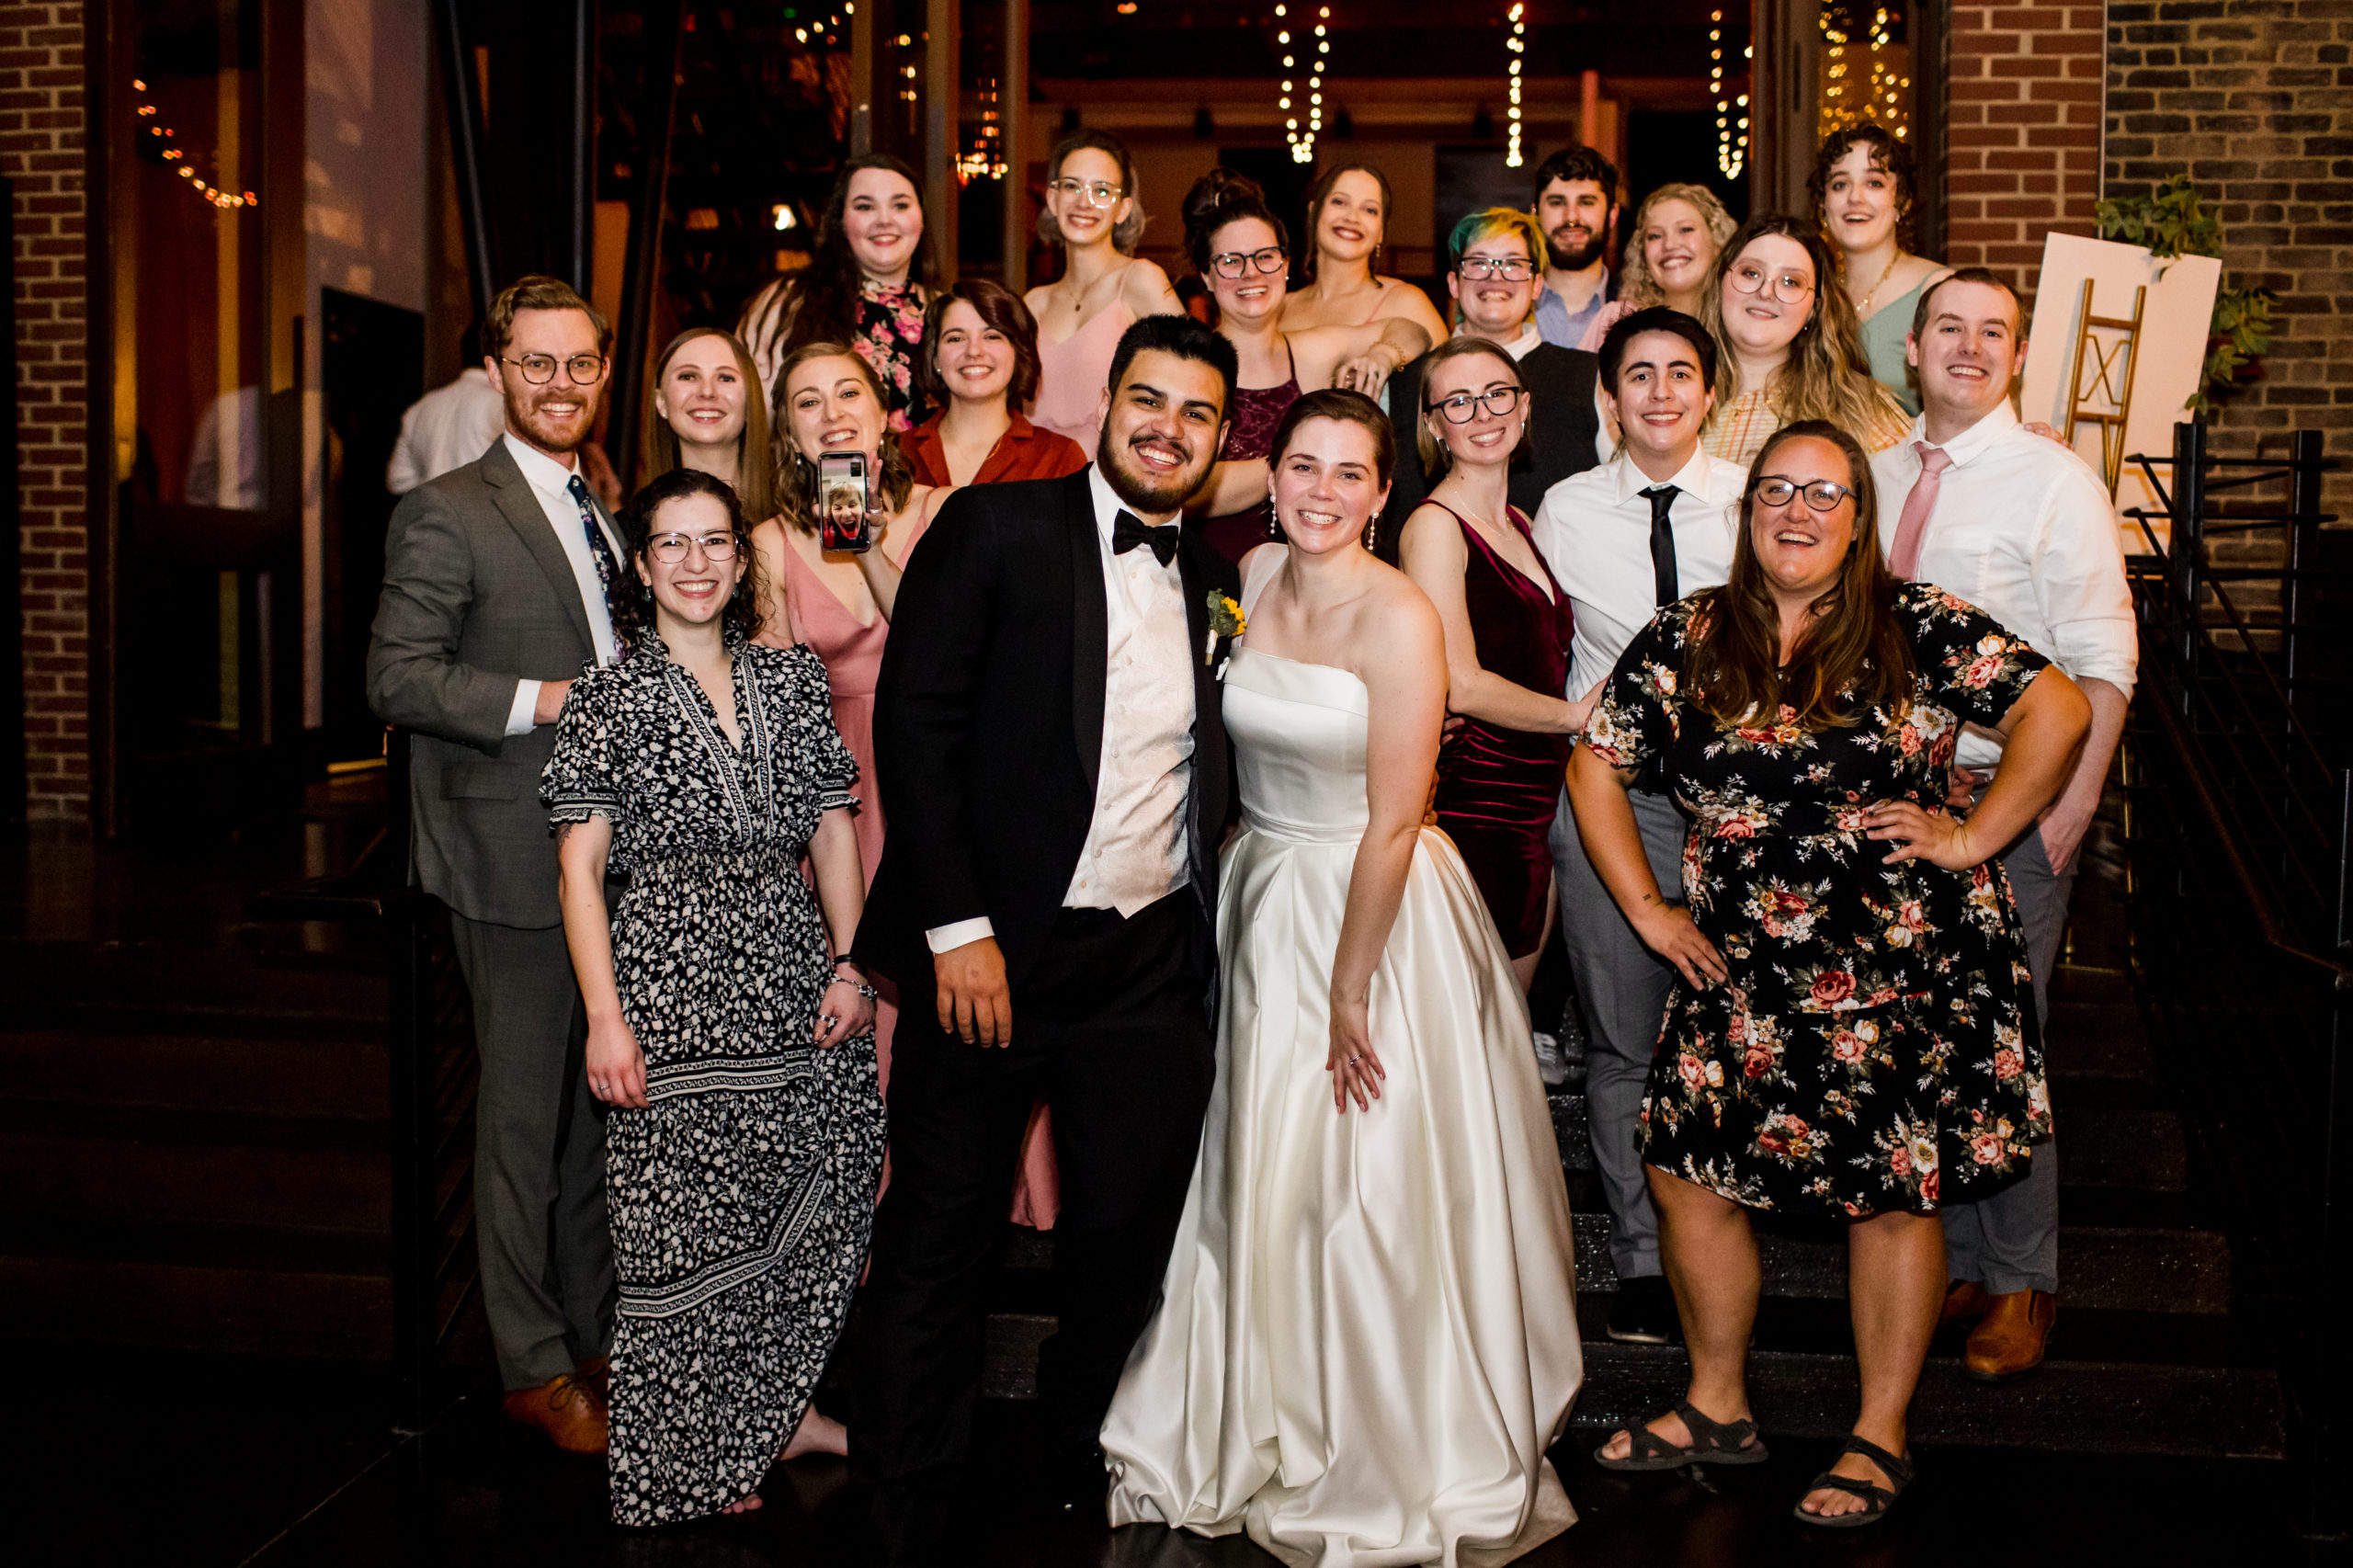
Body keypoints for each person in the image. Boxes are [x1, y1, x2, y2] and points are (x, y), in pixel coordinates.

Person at [1570, 420, 2089, 1527]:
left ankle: (1878, 1433)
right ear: (1746, 508)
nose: (1795, 511)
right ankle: (1717, 1403)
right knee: (1685, 1166)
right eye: (1775, 491)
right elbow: (1595, 759)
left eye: (1823, 493)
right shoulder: (1690, 634)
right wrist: (1647, 908)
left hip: (1898, 961)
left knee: (1888, 1192)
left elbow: (2059, 708)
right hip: (1738, 961)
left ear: (1858, 516)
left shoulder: (1915, 622)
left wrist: (1973, 834)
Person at [1102, 390, 1583, 1566]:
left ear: (1381, 492)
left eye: (1347, 473)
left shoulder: (1402, 617)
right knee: (1257, 1163)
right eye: (1301, 467)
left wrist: (1351, 987)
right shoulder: (1254, 576)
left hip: (1370, 913)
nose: (1320, 490)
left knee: (1359, 1173)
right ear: (1274, 481)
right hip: (1258, 893)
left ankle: (1381, 1432)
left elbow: (1390, 818)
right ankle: (1250, 1401)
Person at [851, 315, 1242, 1566]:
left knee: (1125, 1238)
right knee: (939, 1241)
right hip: (991, 954)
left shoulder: (1228, 574)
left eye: (1194, 411)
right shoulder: (996, 527)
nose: (1166, 428)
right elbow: (916, 728)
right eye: (1147, 399)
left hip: (1143, 963)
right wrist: (957, 930)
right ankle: (901, 1506)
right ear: (1105, 405)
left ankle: (1075, 1452)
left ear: (1222, 437)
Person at [541, 467, 882, 1524]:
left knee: (831, 1171)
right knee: (682, 1228)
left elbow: (832, 829)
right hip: (667, 980)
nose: (695, 562)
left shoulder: (788, 678)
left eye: (714, 542)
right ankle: (692, 1454)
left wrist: (851, 960)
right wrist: (604, 1015)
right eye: (671, 544)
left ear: (742, 560)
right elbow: (578, 868)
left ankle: (776, 1409)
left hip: (788, 970)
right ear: (640, 567)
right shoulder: (606, 696)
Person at [367, 275, 624, 1454]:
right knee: (522, 1119)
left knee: (586, 1116)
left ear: (603, 370)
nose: (560, 382)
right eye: (538, 363)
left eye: (580, 363)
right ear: (499, 370)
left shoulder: (597, 505)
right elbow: (399, 678)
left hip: (605, 853)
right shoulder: (447, 508)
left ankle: (587, 1335)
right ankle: (527, 1365)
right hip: (508, 854)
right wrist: (551, 700)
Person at [1871, 268, 2136, 1381]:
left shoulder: (2053, 480)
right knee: (1917, 1040)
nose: (1968, 348)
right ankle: (1966, 1259)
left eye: (1993, 333)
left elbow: (2104, 655)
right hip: (1892, 802)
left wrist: (2075, 800)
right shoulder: (1872, 474)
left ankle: (2023, 1281)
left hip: (2010, 797)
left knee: (2003, 1045)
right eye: (1949, 329)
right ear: (1913, 349)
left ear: (2015, 357)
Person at [1530, 305, 1748, 1346]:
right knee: (1621, 1042)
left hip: (1738, 806)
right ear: (1607, 399)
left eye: (1679, 373)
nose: (1659, 391)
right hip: (1611, 793)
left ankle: (1735, 1237)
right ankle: (1642, 1258)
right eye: (1638, 376)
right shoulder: (1563, 512)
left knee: (1741, 1028)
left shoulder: (1756, 504)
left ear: (1711, 392)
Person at [749, 344, 957, 1101]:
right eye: (809, 403)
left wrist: (869, 551)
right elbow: (773, 692)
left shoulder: (942, 509)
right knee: (852, 970)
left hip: (932, 772)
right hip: (833, 793)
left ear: (882, 419)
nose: (832, 415)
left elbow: (943, 647)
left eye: (848, 396)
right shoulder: (768, 543)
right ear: (790, 436)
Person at [1396, 337, 1582, 992]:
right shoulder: (1435, 527)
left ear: (1524, 406)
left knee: (1505, 1036)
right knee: (1469, 1034)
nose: (1482, 414)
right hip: (1478, 806)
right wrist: (1577, 715)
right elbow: (1463, 684)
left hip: (1533, 809)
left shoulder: (1519, 522)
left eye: (1496, 394)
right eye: (1459, 401)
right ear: (1432, 424)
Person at [1177, 168, 1430, 562]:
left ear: (1285, 266)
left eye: (1265, 258)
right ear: (1207, 276)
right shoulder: (1190, 367)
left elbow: (1412, 330)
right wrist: (1297, 468)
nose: (1251, 274)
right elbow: (1181, 487)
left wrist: (1384, 354)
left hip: (1309, 572)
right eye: (1231, 261)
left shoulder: (1312, 350)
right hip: (1212, 574)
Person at [1381, 206, 1603, 536]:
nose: (1495, 277)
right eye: (1479, 263)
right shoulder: (1399, 383)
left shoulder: (1590, 376)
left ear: (1537, 284)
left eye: (1513, 264)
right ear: (1454, 283)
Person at [737, 153, 935, 430]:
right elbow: (755, 419)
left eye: (900, 205)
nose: (884, 220)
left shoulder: (944, 312)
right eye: (865, 207)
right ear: (841, 221)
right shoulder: (790, 302)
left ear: (922, 219)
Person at [1699, 214, 1911, 466]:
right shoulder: (1670, 395)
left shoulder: (1861, 410)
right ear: (1720, 282)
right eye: (1751, 273)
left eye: (1791, 282)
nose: (1766, 292)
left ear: (1814, 309)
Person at [1025, 129, 1184, 452]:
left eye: (1102, 190)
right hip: (1037, 485)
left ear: (1123, 208)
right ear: (1053, 199)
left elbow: (1195, 376)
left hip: (1114, 482)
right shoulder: (1033, 303)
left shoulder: (1141, 279)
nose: (1084, 202)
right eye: (1072, 186)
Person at [896, 278, 1088, 488]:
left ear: (1018, 352)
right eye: (956, 339)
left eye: (992, 336)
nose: (974, 351)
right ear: (935, 359)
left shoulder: (1058, 458)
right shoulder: (898, 452)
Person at [1815, 124, 1950, 416]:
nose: (1855, 198)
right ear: (1823, 205)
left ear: (1902, 201)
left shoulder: (1939, 290)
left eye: (1874, 183)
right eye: (1840, 184)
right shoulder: (1814, 296)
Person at [1278, 161, 1449, 342]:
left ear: (1381, 232)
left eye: (1370, 210)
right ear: (1313, 212)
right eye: (1339, 202)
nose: (1352, 217)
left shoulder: (1406, 302)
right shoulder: (1280, 308)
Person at [637, 327, 777, 524]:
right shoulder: (628, 529)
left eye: (725, 378)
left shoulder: (795, 524)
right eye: (688, 376)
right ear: (661, 402)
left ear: (749, 401)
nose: (707, 391)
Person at [388, 322, 508, 494]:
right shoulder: (500, 403)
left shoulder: (419, 409)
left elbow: (398, 480)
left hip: (433, 515)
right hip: (483, 515)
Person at [1531, 143, 1621, 351]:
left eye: (1587, 202)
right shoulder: (1509, 303)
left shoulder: (1637, 308)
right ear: (1535, 214)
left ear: (1612, 215)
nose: (1571, 216)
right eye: (1556, 202)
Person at [1619, 183, 1740, 318]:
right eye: (1655, 236)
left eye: (1685, 230)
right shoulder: (1619, 318)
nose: (1669, 245)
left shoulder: (1742, 324)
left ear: (1717, 240)